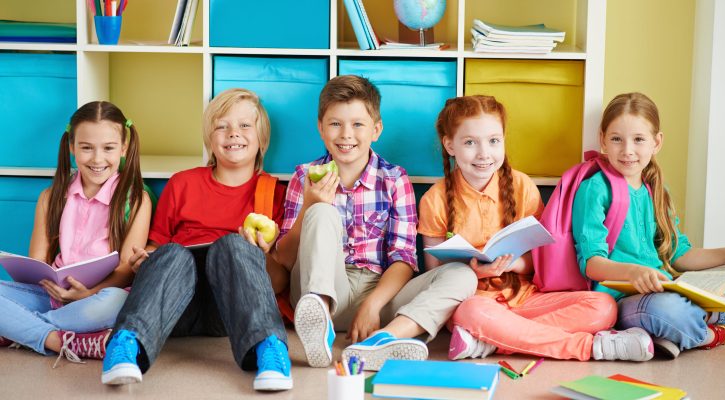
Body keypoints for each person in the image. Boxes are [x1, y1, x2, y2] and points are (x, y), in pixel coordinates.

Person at [424, 95, 653, 362]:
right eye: (470, 143)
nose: (484, 153)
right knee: (471, 314)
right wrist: (475, 271)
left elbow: (541, 260)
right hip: (475, 302)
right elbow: (434, 273)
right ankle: (589, 347)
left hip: (527, 298)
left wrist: (512, 265)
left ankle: (494, 340)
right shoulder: (434, 199)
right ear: (450, 145)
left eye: (494, 141)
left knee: (603, 306)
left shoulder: (522, 186)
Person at [272, 75, 477, 371]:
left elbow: (404, 258)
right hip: (322, 290)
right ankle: (320, 323)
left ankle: (380, 341)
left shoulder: (395, 180)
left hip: (380, 295)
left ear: (376, 129)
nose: (346, 135)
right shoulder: (304, 176)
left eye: (357, 124)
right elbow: (286, 261)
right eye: (335, 124)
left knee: (462, 275)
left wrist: (372, 305)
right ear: (320, 128)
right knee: (321, 212)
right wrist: (309, 206)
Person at [100, 88, 293, 391]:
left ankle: (269, 347)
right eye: (221, 126)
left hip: (230, 310)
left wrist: (258, 254)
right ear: (209, 138)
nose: (233, 134)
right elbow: (156, 245)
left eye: (245, 125)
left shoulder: (273, 193)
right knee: (173, 253)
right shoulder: (183, 183)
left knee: (233, 245)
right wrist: (145, 260)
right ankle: (126, 344)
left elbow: (280, 283)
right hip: (174, 304)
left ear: (261, 138)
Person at [572, 92, 725, 358]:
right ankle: (710, 333)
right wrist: (634, 273)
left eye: (638, 140)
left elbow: (679, 256)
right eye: (616, 139)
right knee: (667, 311)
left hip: (664, 287)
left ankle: (676, 333)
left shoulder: (656, 190)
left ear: (656, 142)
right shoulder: (595, 190)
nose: (627, 150)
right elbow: (591, 263)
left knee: (686, 301)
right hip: (623, 299)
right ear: (602, 140)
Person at [0, 101, 152, 366]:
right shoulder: (51, 197)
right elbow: (38, 261)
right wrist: (46, 281)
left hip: (98, 297)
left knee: (117, 303)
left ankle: (18, 331)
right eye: (86, 148)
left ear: (124, 148)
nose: (97, 159)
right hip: (49, 296)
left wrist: (88, 293)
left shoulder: (137, 199)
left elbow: (126, 269)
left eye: (108, 148)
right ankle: (58, 339)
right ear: (72, 147)